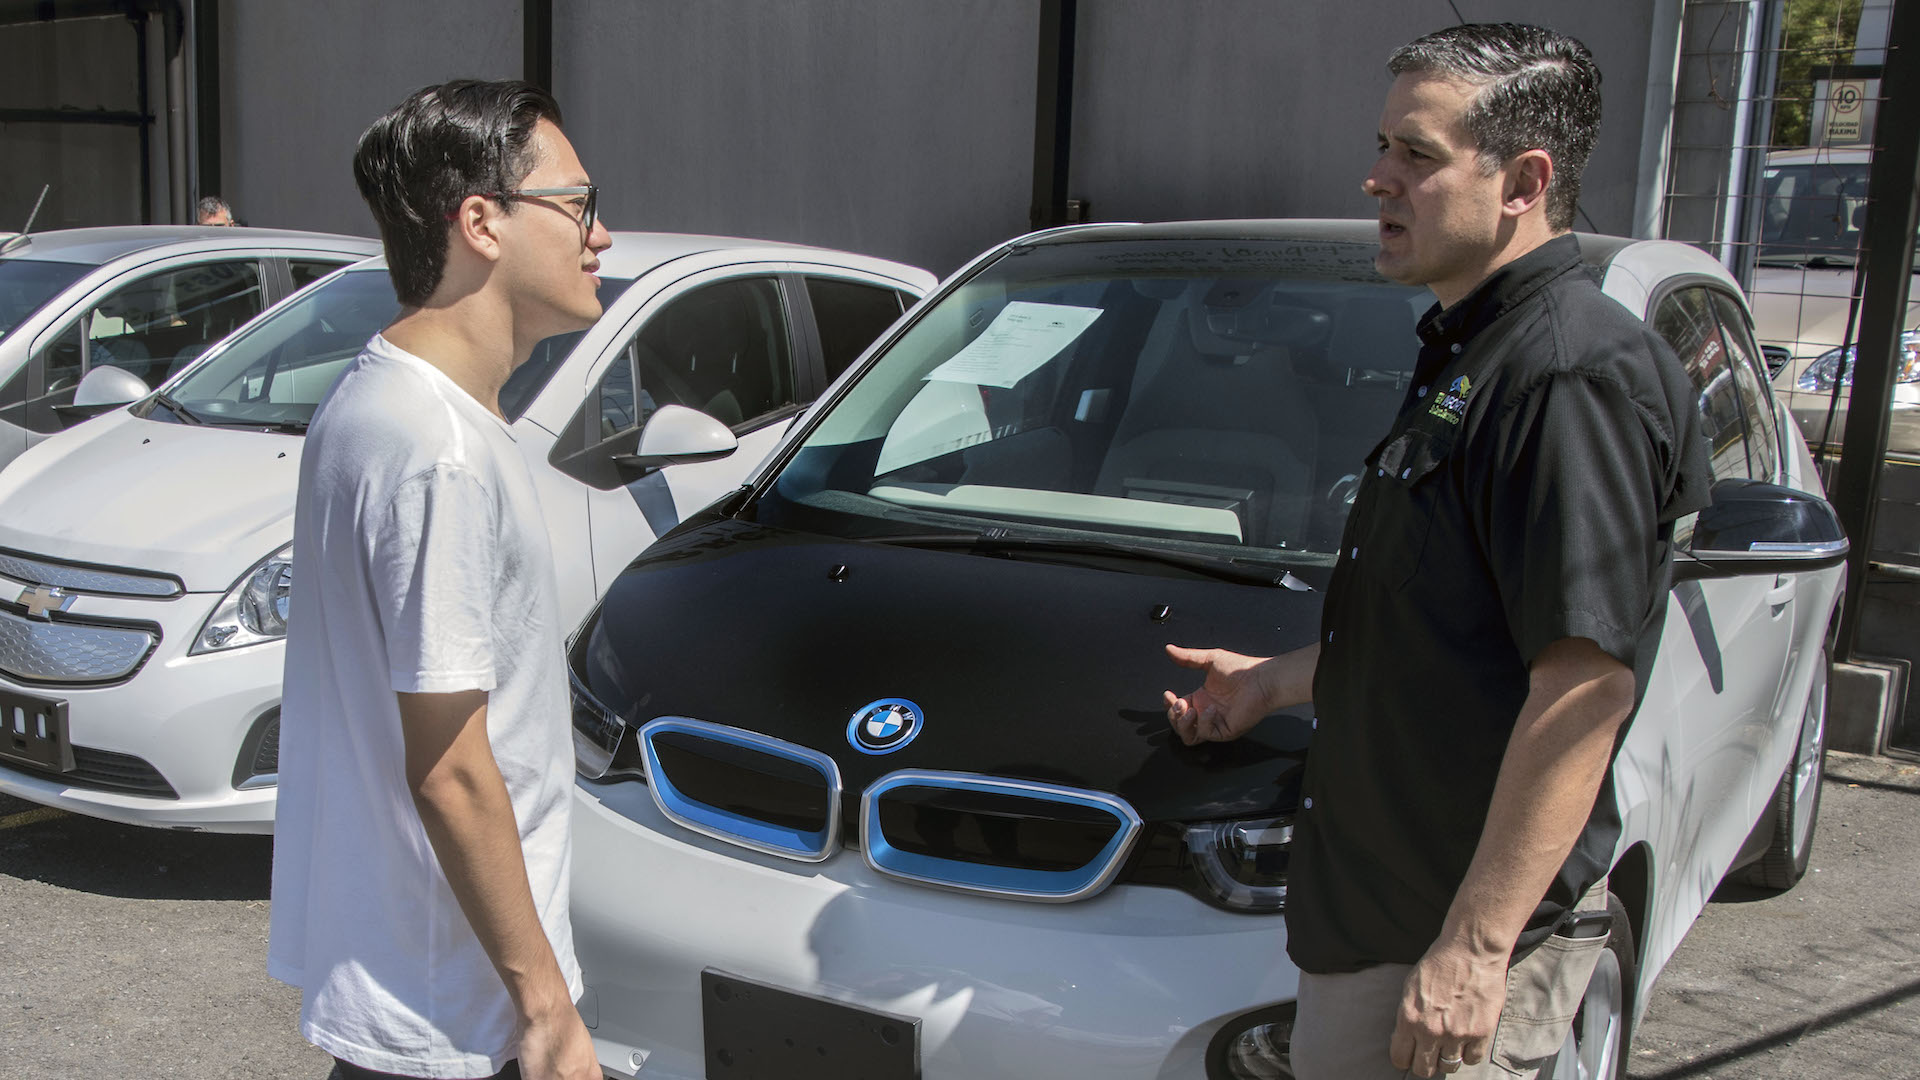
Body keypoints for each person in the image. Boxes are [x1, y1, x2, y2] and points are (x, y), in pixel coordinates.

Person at [1162, 23, 1711, 1080]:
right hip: (1377, 920)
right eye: (1383, 147)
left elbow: (1583, 688)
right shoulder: (1477, 350)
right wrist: (1275, 683)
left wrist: (1475, 946)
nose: (1376, 179)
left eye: (1416, 155)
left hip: (1435, 944)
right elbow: (1452, 630)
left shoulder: (1560, 381)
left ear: (1524, 180)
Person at [267, 79, 611, 1080]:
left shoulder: (373, 399)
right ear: (482, 223)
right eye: (577, 203)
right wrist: (546, 1010)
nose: (601, 235)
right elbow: (452, 768)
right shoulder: (440, 450)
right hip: (459, 1016)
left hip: (418, 986)